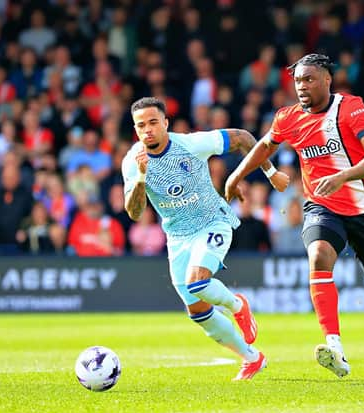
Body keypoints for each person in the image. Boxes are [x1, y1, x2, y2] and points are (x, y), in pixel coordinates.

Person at [225, 53, 364, 378]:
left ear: (327, 80)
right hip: (321, 205)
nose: (302, 86)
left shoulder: (351, 108)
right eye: (298, 81)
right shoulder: (287, 117)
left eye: (309, 79)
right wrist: (235, 175)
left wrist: (342, 176)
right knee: (319, 256)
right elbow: (265, 147)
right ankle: (334, 346)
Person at [122, 97, 289, 380]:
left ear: (165, 123)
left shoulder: (190, 144)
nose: (148, 129)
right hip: (177, 238)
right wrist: (140, 178)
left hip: (213, 221)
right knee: (198, 311)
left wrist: (270, 173)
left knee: (198, 281)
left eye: (153, 122)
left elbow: (243, 138)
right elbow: (135, 212)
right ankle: (252, 358)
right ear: (136, 130)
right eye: (141, 125)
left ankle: (237, 305)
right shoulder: (132, 161)